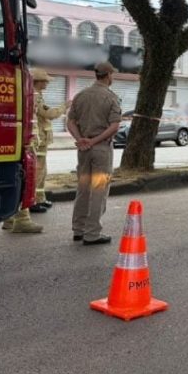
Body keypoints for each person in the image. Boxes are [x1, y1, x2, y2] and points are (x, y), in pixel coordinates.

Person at [66, 62, 122, 246]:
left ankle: (78, 229)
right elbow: (114, 126)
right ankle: (92, 234)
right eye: (112, 75)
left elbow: (70, 121)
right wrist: (94, 141)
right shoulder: (110, 97)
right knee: (98, 190)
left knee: (83, 188)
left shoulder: (81, 95)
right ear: (108, 75)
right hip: (100, 150)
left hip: (83, 150)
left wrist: (81, 139)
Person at [2, 93, 44, 234]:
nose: (37, 105)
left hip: (12, 143)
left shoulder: (12, 102)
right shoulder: (25, 104)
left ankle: (9, 218)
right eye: (35, 102)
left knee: (13, 179)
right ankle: (22, 221)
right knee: (25, 181)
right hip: (23, 145)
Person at [30, 68, 70, 213]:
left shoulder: (38, 95)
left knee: (42, 170)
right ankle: (32, 201)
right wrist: (64, 106)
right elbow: (49, 114)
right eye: (45, 80)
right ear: (38, 82)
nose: (47, 83)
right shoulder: (35, 96)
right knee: (38, 170)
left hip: (41, 139)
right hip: (38, 139)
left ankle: (39, 198)